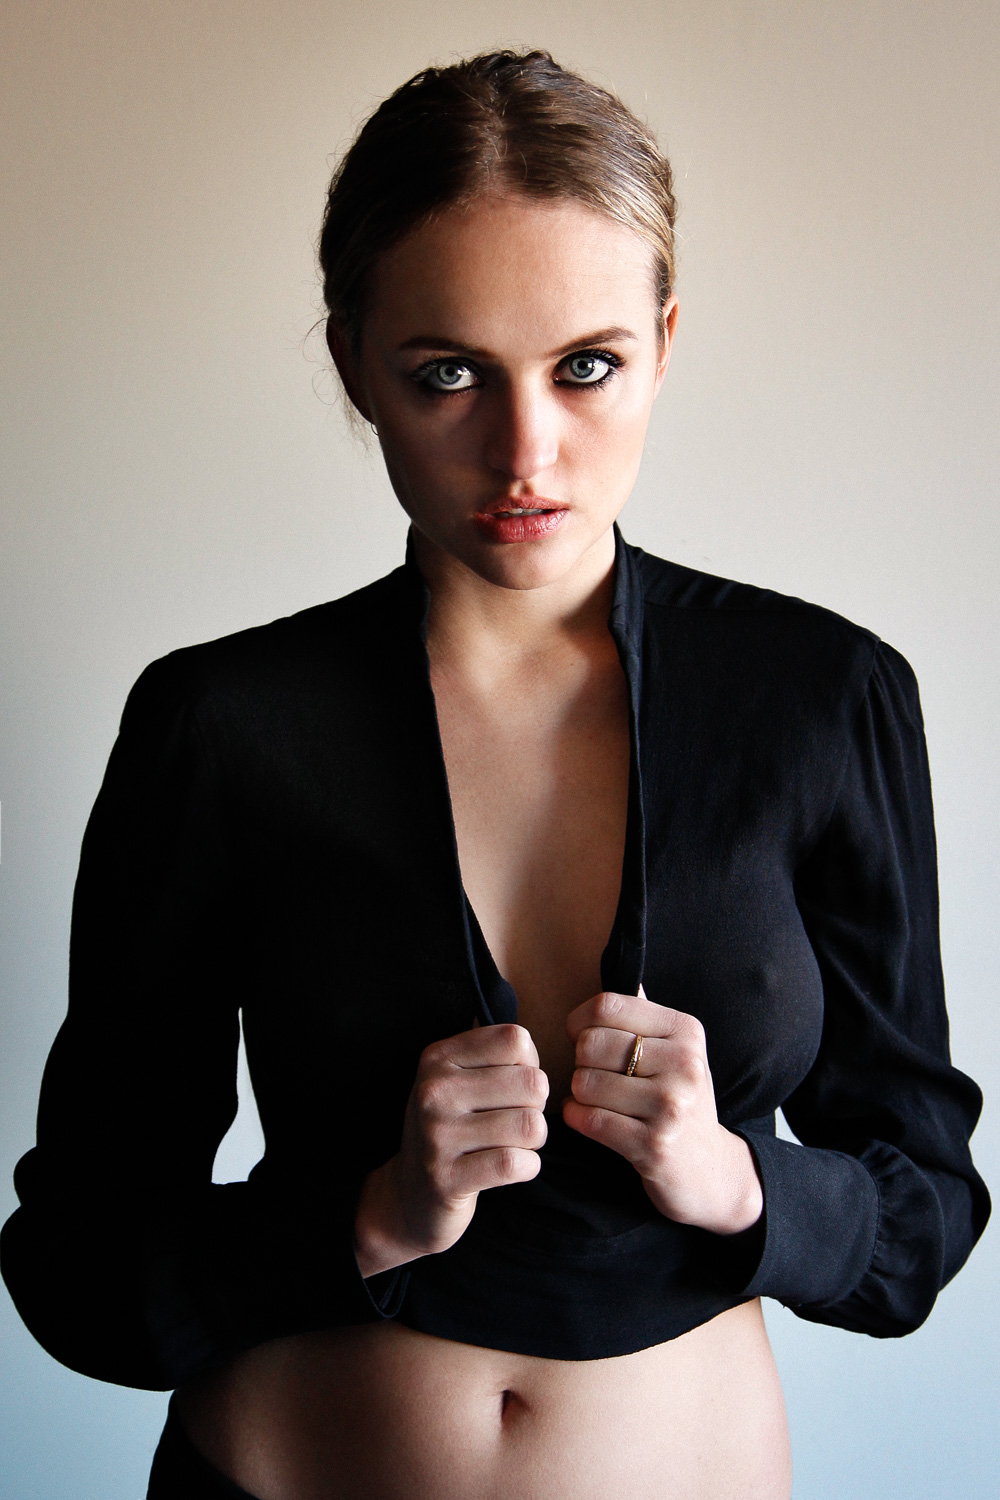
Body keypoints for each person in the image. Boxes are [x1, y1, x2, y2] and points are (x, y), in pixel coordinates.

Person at [1, 49, 990, 1500]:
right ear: (355, 362)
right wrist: (365, 1218)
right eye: (448, 374)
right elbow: (78, 1264)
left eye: (587, 366)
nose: (526, 451)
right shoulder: (217, 725)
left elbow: (925, 1215)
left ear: (664, 342)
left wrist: (742, 1182)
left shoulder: (823, 699)